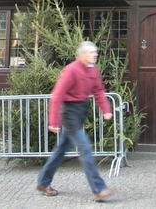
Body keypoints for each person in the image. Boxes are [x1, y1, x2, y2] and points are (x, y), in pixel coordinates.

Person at [36, 41, 115, 202]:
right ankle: (99, 189)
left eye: (95, 52)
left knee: (60, 150)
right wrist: (54, 121)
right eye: (92, 52)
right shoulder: (71, 70)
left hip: (80, 112)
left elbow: (99, 90)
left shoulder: (92, 69)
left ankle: (43, 182)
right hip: (70, 113)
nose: (95, 54)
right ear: (82, 55)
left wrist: (106, 109)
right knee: (85, 148)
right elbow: (57, 95)